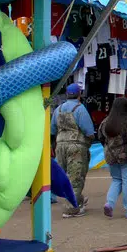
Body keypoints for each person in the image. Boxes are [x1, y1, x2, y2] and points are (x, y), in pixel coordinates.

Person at [51, 83, 96, 217]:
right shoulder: (80, 108)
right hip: (76, 146)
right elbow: (88, 131)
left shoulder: (58, 109)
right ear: (79, 94)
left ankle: (78, 199)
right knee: (76, 177)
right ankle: (71, 209)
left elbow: (52, 129)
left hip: (60, 146)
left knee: (64, 176)